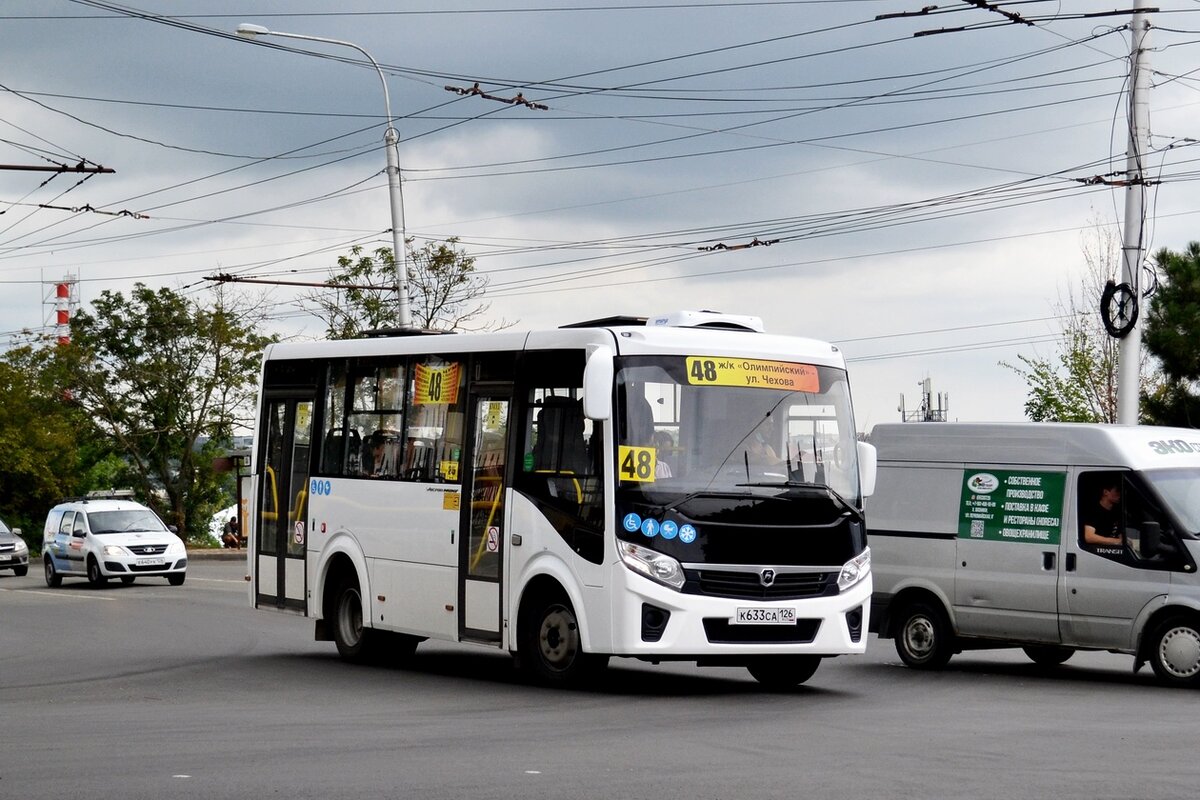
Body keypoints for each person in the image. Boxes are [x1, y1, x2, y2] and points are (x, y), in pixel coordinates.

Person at [1081, 477, 1123, 548]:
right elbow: (1089, 537)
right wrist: (1116, 541)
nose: (1120, 494)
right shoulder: (1093, 511)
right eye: (1117, 491)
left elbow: (1119, 533)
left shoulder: (1116, 512)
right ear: (1105, 492)